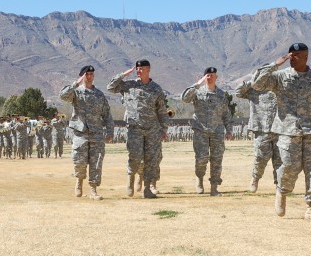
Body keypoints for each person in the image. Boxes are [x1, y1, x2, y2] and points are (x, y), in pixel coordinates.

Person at [251, 43, 311, 222]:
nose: (292, 58)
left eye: (296, 55)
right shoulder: (280, 78)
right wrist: (275, 65)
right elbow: (257, 84)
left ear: (306, 57)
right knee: (289, 167)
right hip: (287, 131)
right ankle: (282, 190)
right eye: (290, 55)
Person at [107, 60, 168, 199]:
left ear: (148, 69)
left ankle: (147, 188)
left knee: (151, 160)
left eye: (141, 69)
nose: (138, 71)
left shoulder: (156, 89)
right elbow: (110, 87)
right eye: (137, 69)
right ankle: (130, 179)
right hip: (134, 129)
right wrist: (124, 74)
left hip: (152, 129)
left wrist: (164, 129)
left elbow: (162, 111)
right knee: (134, 157)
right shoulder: (129, 85)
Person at [60, 65, 114, 200]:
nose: (89, 76)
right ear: (82, 76)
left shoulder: (99, 95)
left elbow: (107, 114)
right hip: (81, 133)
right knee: (79, 161)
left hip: (96, 133)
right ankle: (79, 182)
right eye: (87, 74)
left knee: (96, 162)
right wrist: (76, 83)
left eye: (91, 74)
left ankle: (93, 190)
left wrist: (110, 131)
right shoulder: (76, 93)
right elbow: (63, 95)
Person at [181, 67, 234, 196]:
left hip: (217, 131)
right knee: (201, 158)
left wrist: (229, 130)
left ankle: (214, 187)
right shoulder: (197, 92)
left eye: (212, 75)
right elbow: (185, 98)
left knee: (217, 160)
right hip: (201, 130)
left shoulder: (221, 95)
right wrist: (197, 84)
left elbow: (226, 113)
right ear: (204, 77)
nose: (210, 77)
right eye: (207, 75)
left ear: (216, 77)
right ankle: (199, 179)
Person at [235, 79, 281, 193]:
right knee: (260, 158)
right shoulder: (254, 89)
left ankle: (280, 185)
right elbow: (238, 92)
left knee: (281, 159)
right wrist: (253, 81)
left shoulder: (280, 87)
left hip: (279, 129)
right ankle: (255, 179)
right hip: (261, 129)